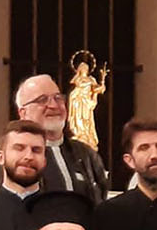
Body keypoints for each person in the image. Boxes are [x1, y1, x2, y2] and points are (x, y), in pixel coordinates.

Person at [12, 74, 110, 202]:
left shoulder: (86, 154)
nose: (53, 105)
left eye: (58, 98)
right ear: (23, 113)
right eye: (42, 100)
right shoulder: (11, 156)